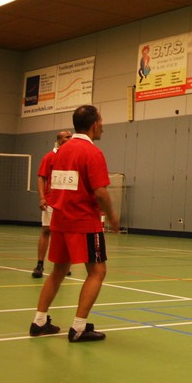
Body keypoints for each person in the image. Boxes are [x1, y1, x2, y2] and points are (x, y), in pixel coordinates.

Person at [28, 104, 119, 343]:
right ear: (95, 124)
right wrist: (112, 216)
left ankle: (39, 321)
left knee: (58, 271)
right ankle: (79, 328)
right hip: (84, 222)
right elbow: (100, 192)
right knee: (98, 271)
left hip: (60, 221)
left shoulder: (60, 152)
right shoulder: (92, 153)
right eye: (101, 122)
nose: (103, 126)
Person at [33, 129, 72, 277]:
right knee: (46, 231)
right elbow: (41, 177)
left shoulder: (72, 157)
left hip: (67, 202)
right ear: (60, 141)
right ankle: (40, 264)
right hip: (51, 201)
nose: (71, 139)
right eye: (67, 137)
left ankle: (64, 264)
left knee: (65, 233)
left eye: (71, 136)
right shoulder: (49, 156)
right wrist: (42, 198)